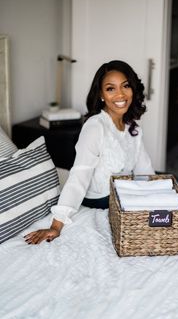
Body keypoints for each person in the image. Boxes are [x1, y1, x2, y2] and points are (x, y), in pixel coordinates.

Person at [24, 60, 155, 244]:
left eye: (125, 86)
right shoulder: (95, 127)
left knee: (171, 185)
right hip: (101, 199)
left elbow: (145, 171)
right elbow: (79, 176)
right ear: (101, 94)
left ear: (133, 89)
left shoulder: (132, 127)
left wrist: (156, 195)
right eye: (111, 89)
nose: (120, 94)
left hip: (124, 191)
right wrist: (56, 225)